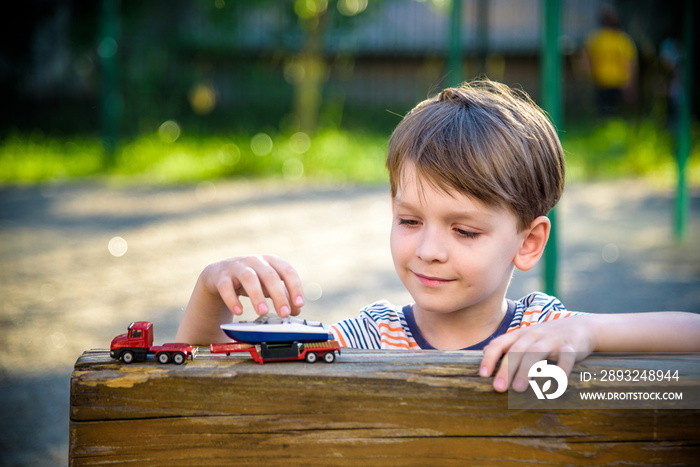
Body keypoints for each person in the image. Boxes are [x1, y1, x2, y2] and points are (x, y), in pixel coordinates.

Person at [176, 80, 700, 393]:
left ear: (528, 242)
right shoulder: (368, 338)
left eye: (465, 230)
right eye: (409, 221)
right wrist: (208, 291)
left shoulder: (543, 331)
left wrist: (589, 333)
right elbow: (197, 372)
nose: (427, 249)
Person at [584, 4, 638, 116]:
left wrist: (629, 82)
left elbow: (629, 63)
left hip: (614, 82)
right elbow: (587, 59)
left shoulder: (599, 38)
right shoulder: (600, 38)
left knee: (611, 112)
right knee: (608, 112)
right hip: (602, 81)